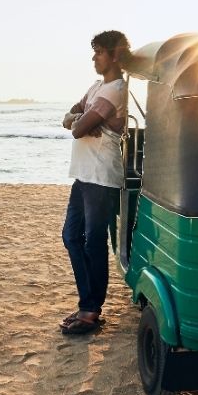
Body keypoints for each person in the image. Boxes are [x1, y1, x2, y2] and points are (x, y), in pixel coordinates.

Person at [59, 30, 130, 335]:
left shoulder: (115, 89)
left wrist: (85, 118)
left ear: (115, 55)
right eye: (94, 52)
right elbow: (71, 117)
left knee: (93, 241)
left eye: (99, 52)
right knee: (71, 236)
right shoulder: (97, 87)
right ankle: (88, 303)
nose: (94, 57)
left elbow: (77, 128)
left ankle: (91, 310)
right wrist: (85, 117)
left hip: (102, 176)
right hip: (84, 174)